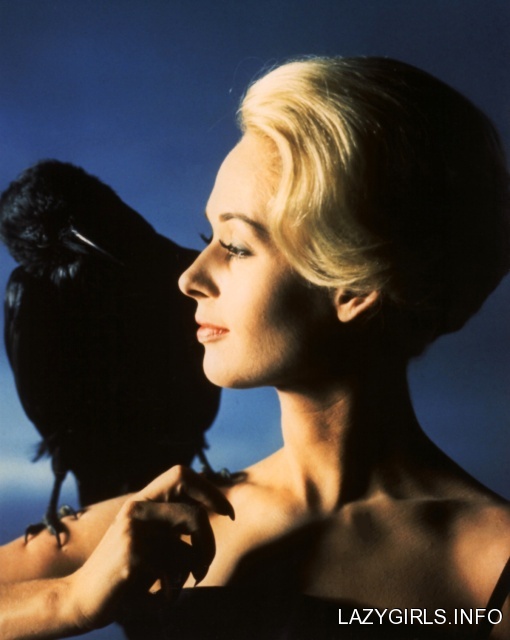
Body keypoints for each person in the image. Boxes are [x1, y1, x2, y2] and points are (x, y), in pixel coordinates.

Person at [0, 56, 509, 640]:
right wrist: (66, 600)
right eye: (207, 237)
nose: (188, 277)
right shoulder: (155, 521)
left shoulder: (492, 565)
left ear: (354, 289)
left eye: (236, 246)